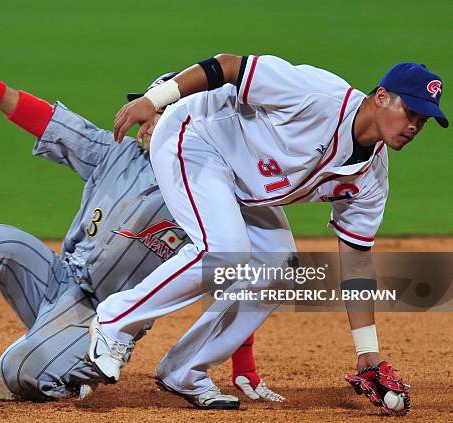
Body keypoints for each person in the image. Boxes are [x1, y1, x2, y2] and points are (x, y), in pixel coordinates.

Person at [0, 27, 284, 407]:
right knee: (0, 239)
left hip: (102, 319)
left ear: (184, 122)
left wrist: (242, 364)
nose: (142, 123)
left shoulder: (209, 190)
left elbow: (234, 271)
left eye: (152, 115)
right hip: (56, 280)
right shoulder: (115, 150)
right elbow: (48, 121)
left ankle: (70, 368)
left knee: (19, 371)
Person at [87, 52, 447, 416]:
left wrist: (366, 350)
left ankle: (186, 370)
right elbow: (228, 65)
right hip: (196, 135)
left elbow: (356, 260)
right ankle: (114, 322)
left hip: (243, 182)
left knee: (282, 269)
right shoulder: (317, 95)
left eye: (424, 119)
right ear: (382, 96)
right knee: (223, 251)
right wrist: (156, 99)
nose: (415, 125)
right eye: (410, 112)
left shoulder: (371, 178)